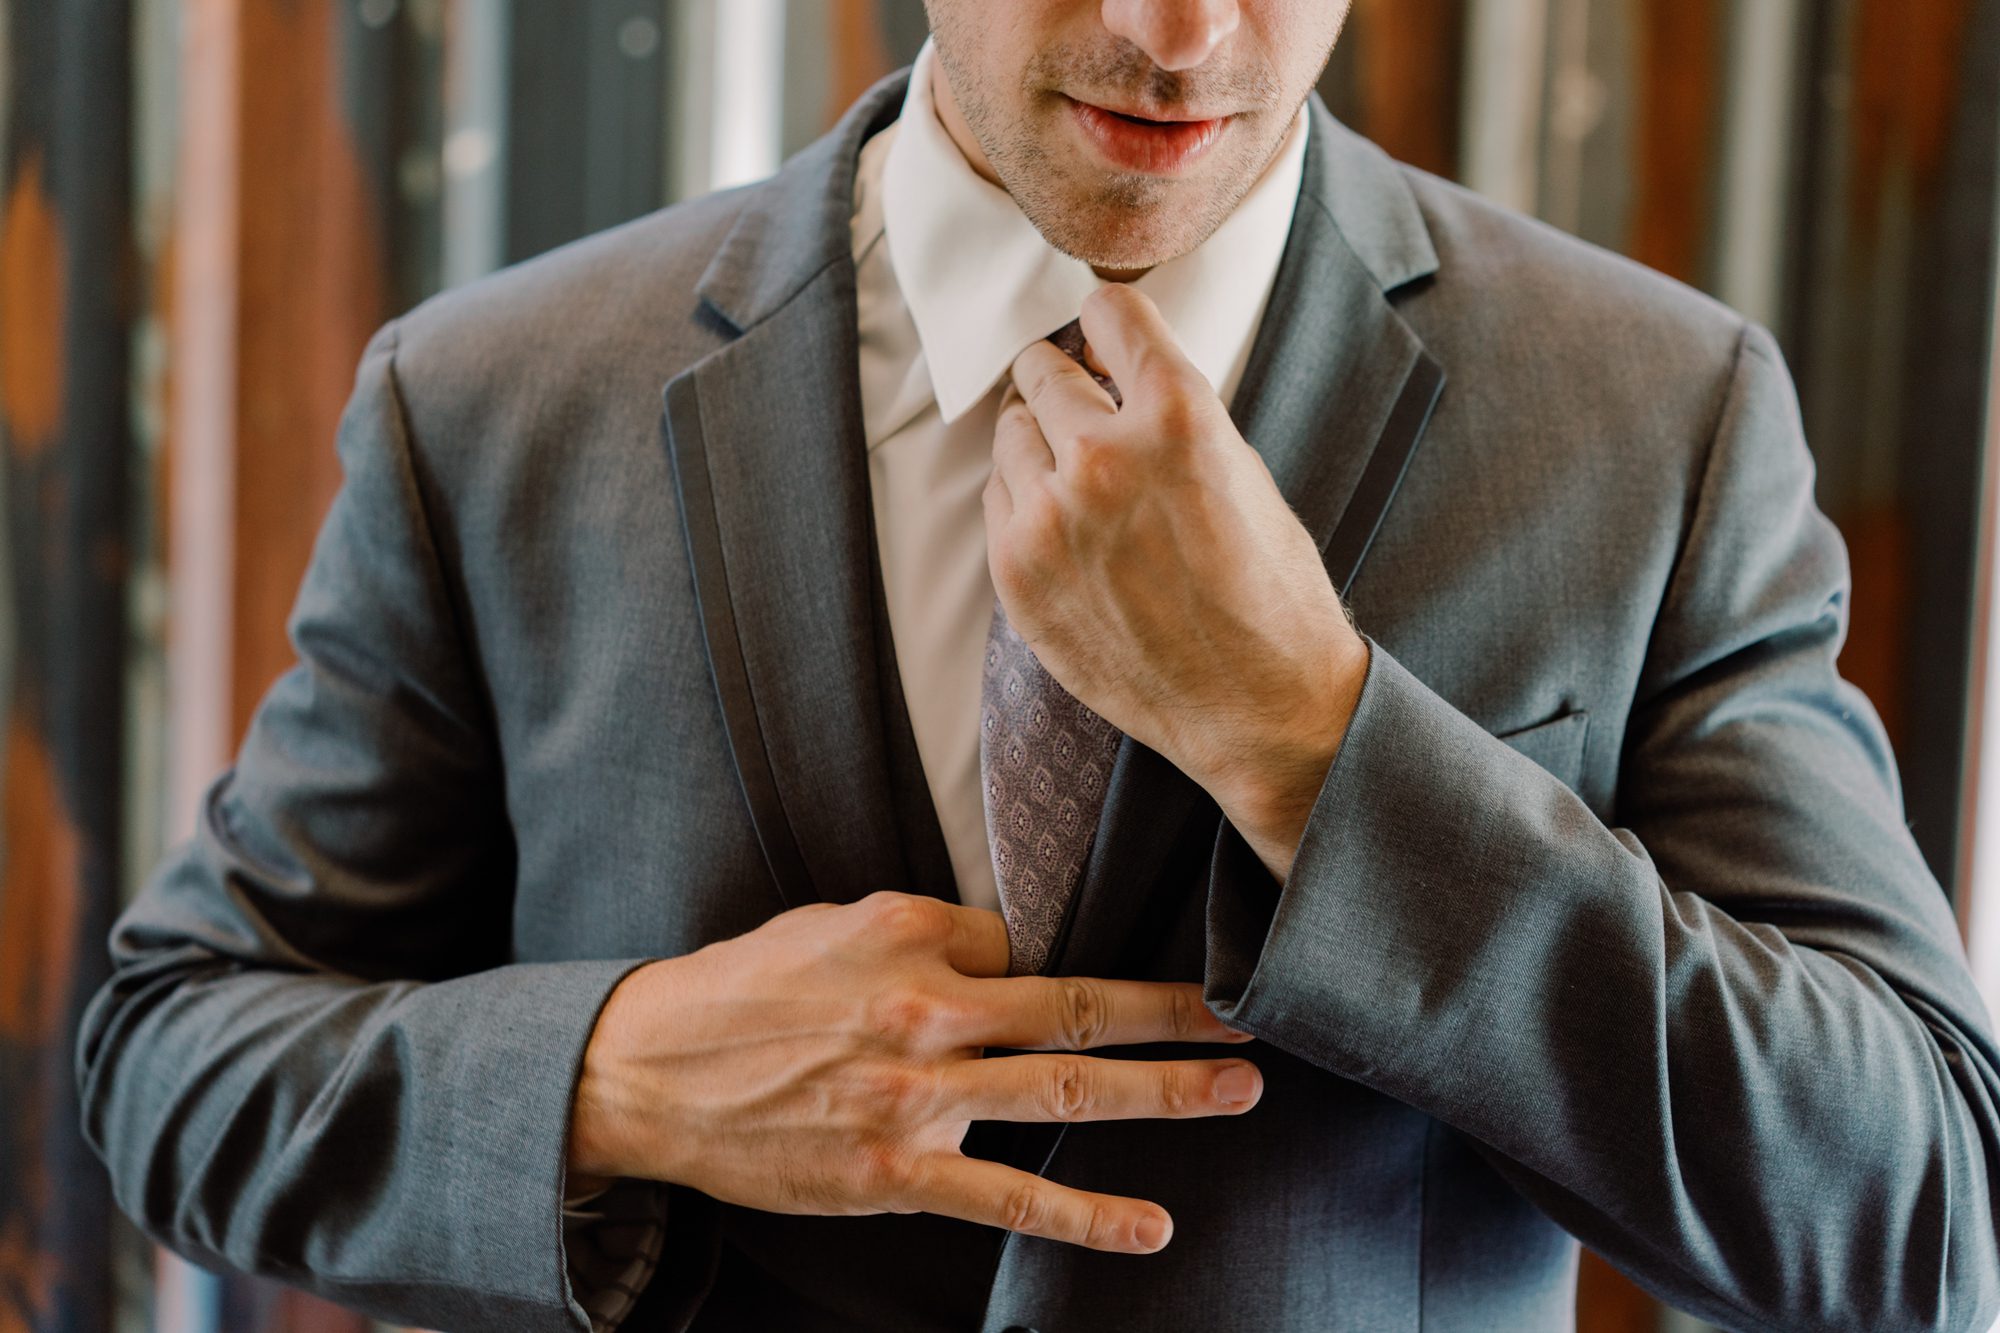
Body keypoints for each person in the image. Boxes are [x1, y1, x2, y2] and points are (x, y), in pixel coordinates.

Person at [76, 2, 2000, 1330]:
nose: (1184, 38)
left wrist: (1316, 743)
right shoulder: (491, 403)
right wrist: (624, 1077)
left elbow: (1919, 1211)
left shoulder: (1655, 419)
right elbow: (180, 1054)